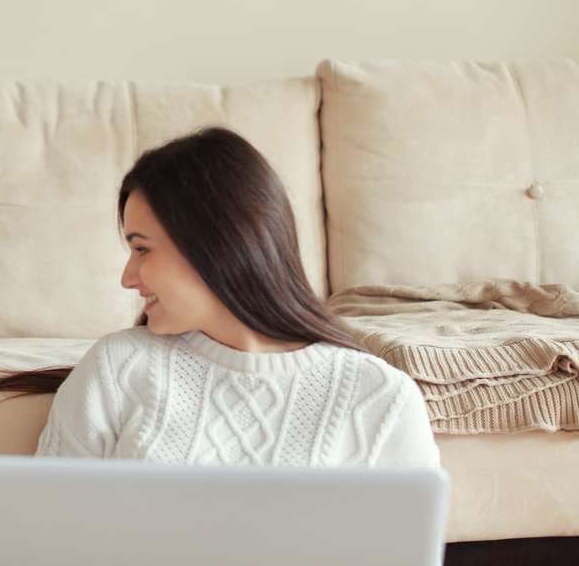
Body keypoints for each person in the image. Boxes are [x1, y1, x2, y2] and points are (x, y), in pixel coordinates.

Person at [33, 127, 440, 468]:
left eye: (142, 249)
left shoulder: (380, 396)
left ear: (215, 245)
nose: (128, 278)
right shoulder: (117, 367)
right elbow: (43, 530)